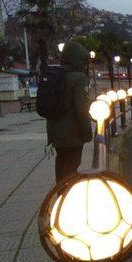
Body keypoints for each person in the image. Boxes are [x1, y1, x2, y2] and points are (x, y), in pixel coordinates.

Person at [46, 40, 92, 183]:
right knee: (72, 167)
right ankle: (67, 196)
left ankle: (59, 195)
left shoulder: (56, 74)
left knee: (61, 163)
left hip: (55, 130)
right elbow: (81, 109)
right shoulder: (79, 78)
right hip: (72, 133)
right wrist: (87, 133)